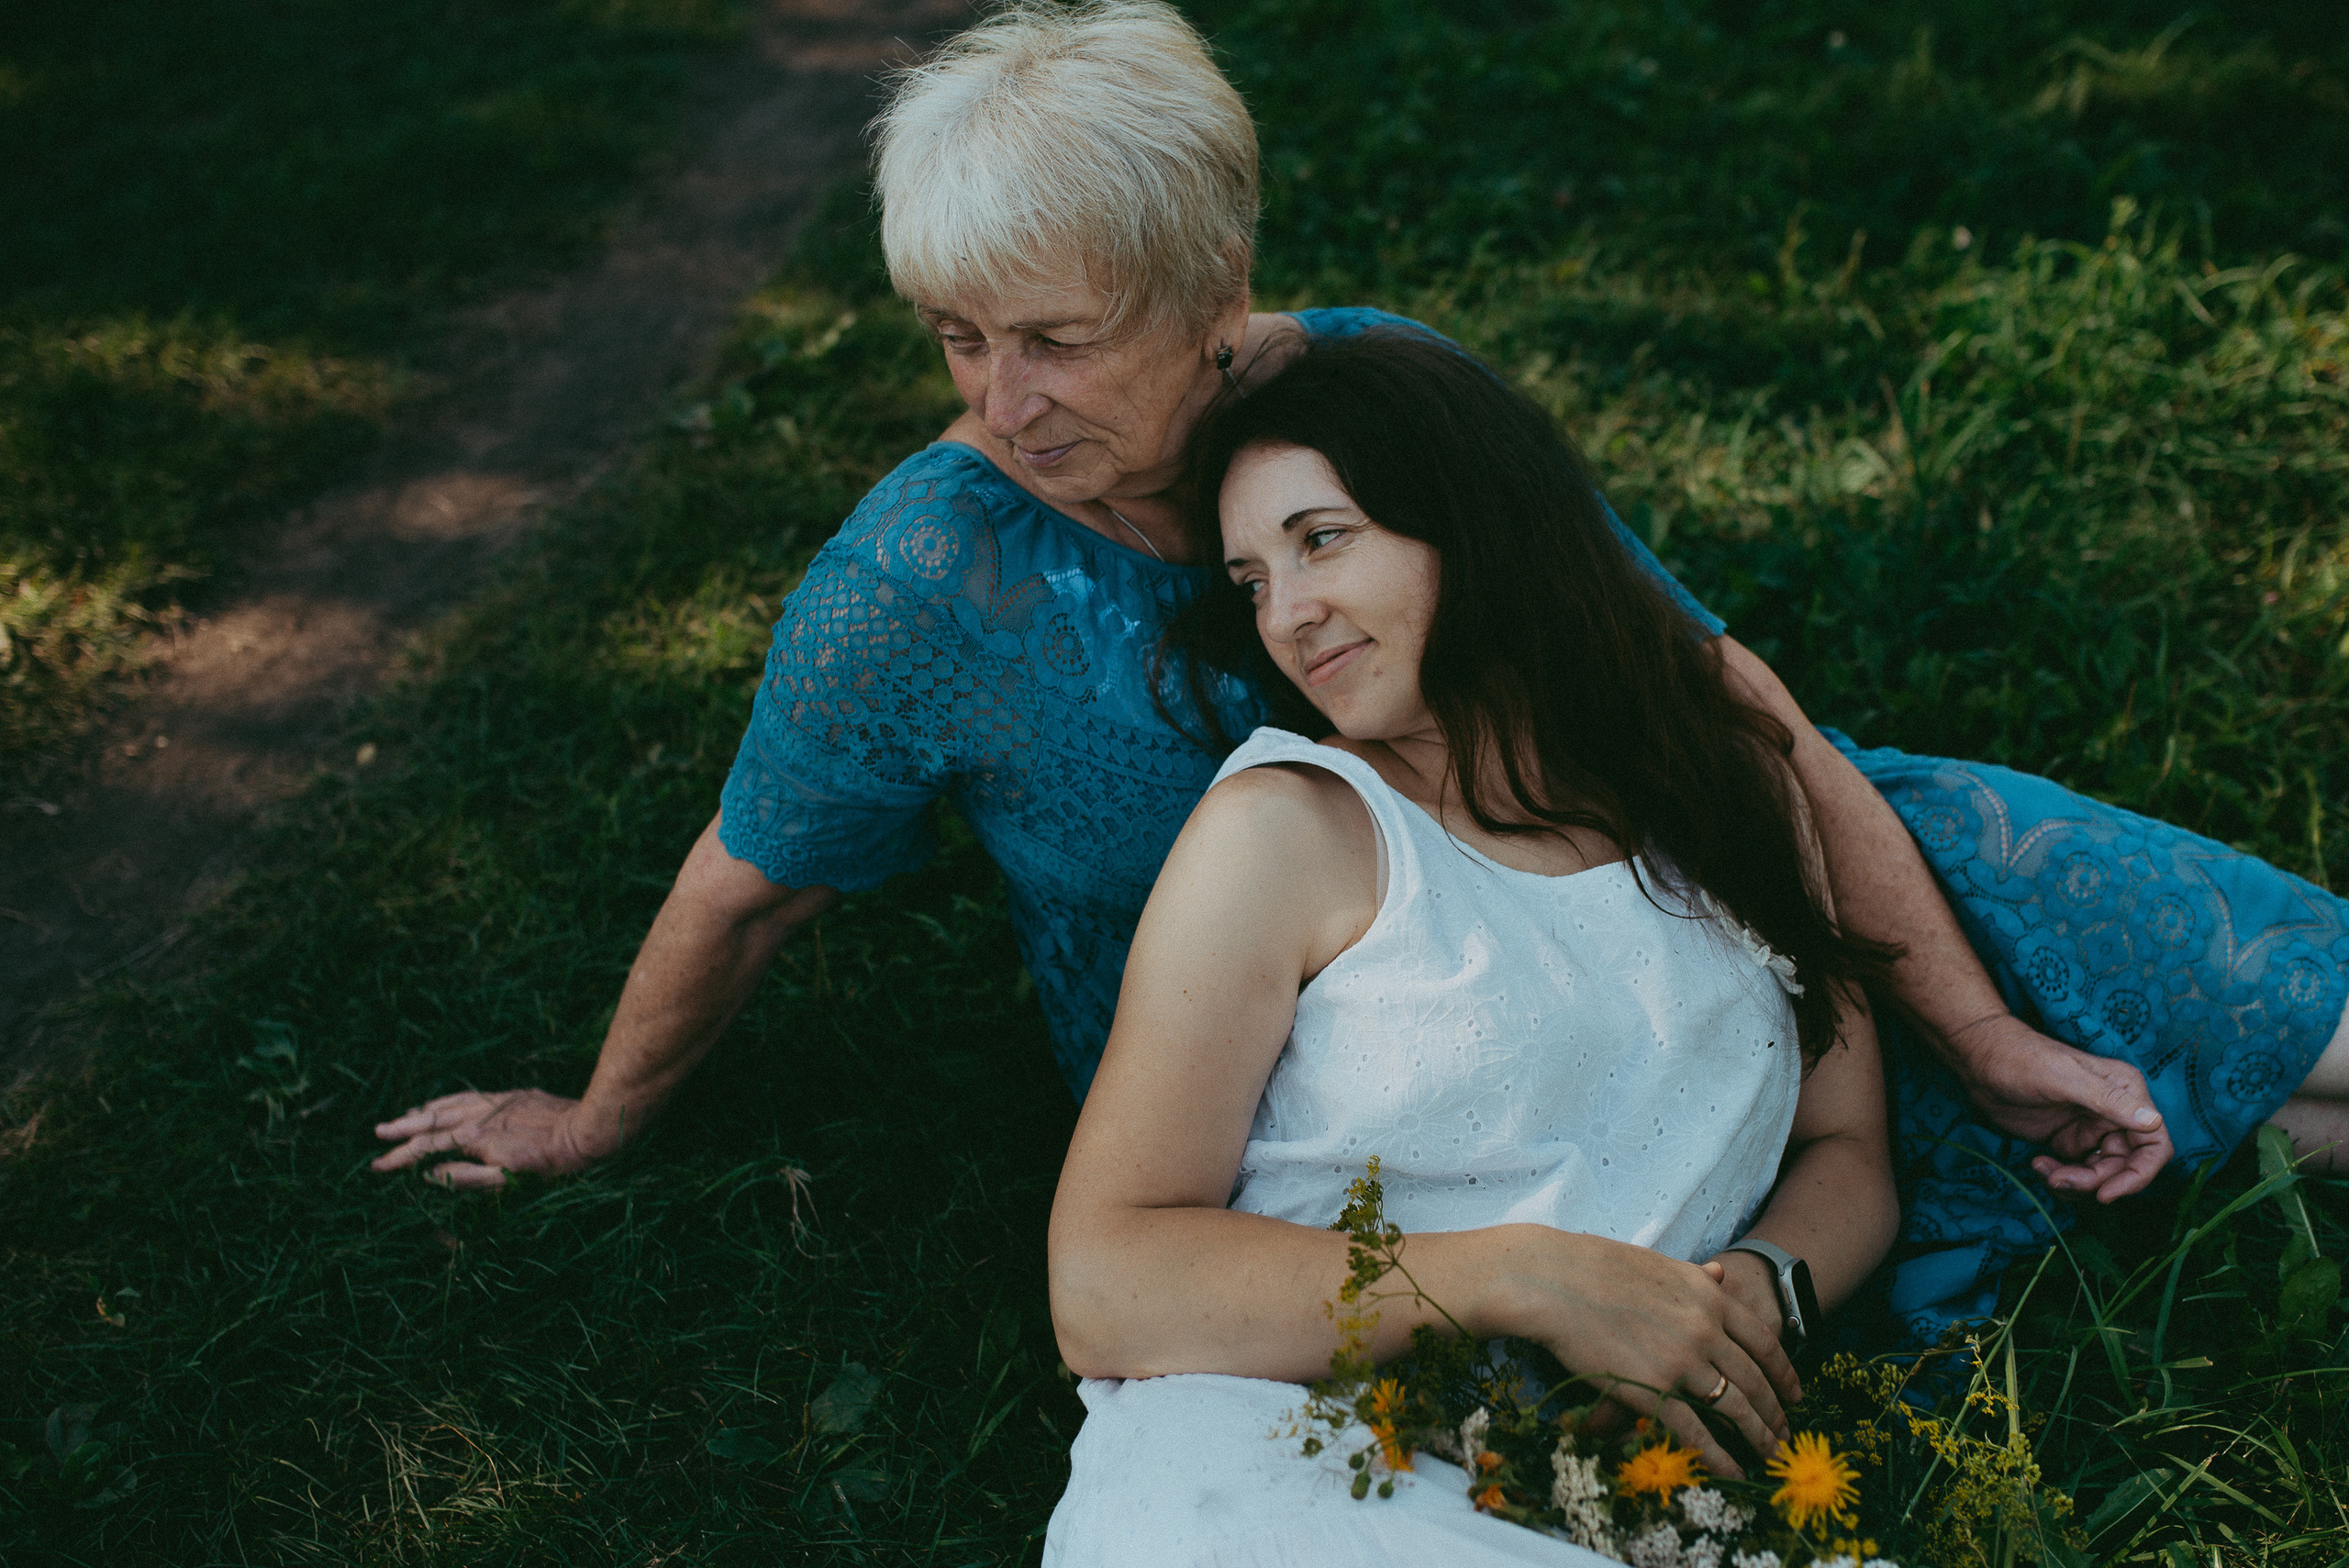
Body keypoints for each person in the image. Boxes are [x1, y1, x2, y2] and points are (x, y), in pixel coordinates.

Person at [370, 0, 2349, 1340]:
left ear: (1207, 301)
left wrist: (1984, 1028)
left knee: (2020, 900)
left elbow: (1700, 689)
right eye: (953, 336)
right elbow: (757, 874)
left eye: (1047, 337)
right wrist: (598, 1115)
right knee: (2084, 1105)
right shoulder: (920, 575)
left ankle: (2107, 1089)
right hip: (1329, 1058)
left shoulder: (1364, 391)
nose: (997, 399)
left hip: (1614, 863)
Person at [1046, 328, 1895, 1563]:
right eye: (1248, 581)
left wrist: (1752, 1293)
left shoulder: (1726, 785)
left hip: (1624, 1492)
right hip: (1290, 1464)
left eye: (1321, 539)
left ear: (1474, 517)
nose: (1287, 614)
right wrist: (1520, 1275)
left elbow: (1849, 1143)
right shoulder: (1288, 831)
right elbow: (1106, 1281)